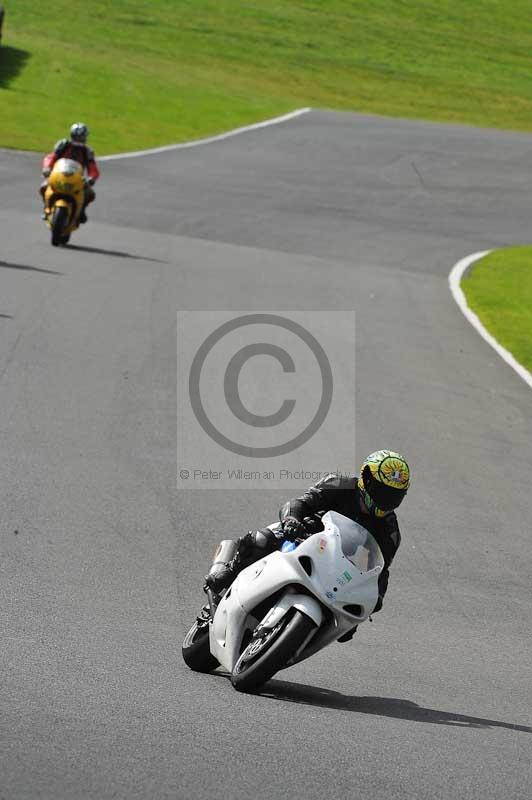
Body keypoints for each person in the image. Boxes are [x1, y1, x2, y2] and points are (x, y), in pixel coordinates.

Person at [200, 450, 410, 640]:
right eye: (383, 491)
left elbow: (379, 570)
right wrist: (292, 520)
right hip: (302, 536)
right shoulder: (339, 484)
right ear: (366, 478)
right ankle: (228, 571)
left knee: (343, 620)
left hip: (336, 568)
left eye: (394, 495)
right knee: (261, 540)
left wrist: (374, 600)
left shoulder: (389, 530)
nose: (386, 500)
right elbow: (300, 502)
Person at [40, 122, 100, 223]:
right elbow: (51, 157)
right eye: (77, 136)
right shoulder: (63, 145)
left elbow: (92, 167)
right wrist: (47, 168)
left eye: (81, 136)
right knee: (43, 187)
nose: (79, 139)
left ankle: (81, 211)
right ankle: (46, 208)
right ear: (72, 135)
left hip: (77, 180)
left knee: (90, 194)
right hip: (59, 175)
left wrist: (91, 178)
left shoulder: (87, 151)